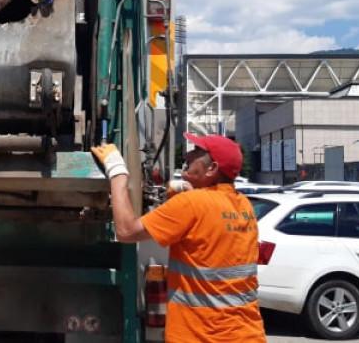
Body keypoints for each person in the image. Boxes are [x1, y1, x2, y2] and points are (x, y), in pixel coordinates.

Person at [91, 133, 266, 343]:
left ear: (211, 169)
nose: (188, 154)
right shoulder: (244, 206)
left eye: (197, 152)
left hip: (200, 336)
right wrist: (182, 189)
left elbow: (126, 231)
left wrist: (117, 172)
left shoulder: (191, 205)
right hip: (247, 334)